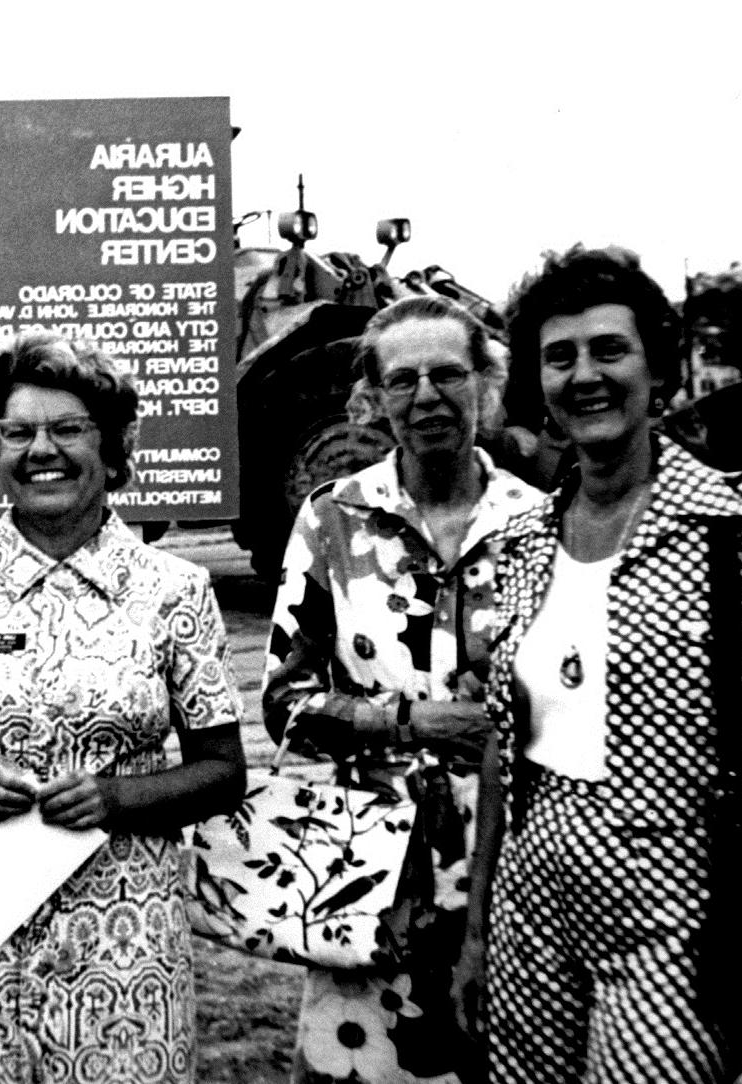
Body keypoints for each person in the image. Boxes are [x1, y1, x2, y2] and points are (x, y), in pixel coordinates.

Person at [452, 245, 742, 1083]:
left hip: (679, 915)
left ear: (659, 366)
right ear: (537, 386)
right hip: (531, 910)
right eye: (559, 356)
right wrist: (478, 935)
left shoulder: (739, 521)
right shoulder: (522, 544)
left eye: (609, 349)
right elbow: (505, 755)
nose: (586, 376)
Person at [0, 329, 247, 1084]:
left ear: (112, 446)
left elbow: (222, 772)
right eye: (18, 432)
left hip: (127, 939)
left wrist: (116, 796)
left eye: (68, 429)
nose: (44, 450)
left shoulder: (175, 592)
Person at [263, 294, 541, 1084]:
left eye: (449, 374)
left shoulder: (540, 523)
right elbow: (286, 705)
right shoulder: (332, 520)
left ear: (485, 383)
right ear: (376, 397)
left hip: (511, 874)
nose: (427, 396)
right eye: (403, 379)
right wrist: (412, 720)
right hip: (373, 877)